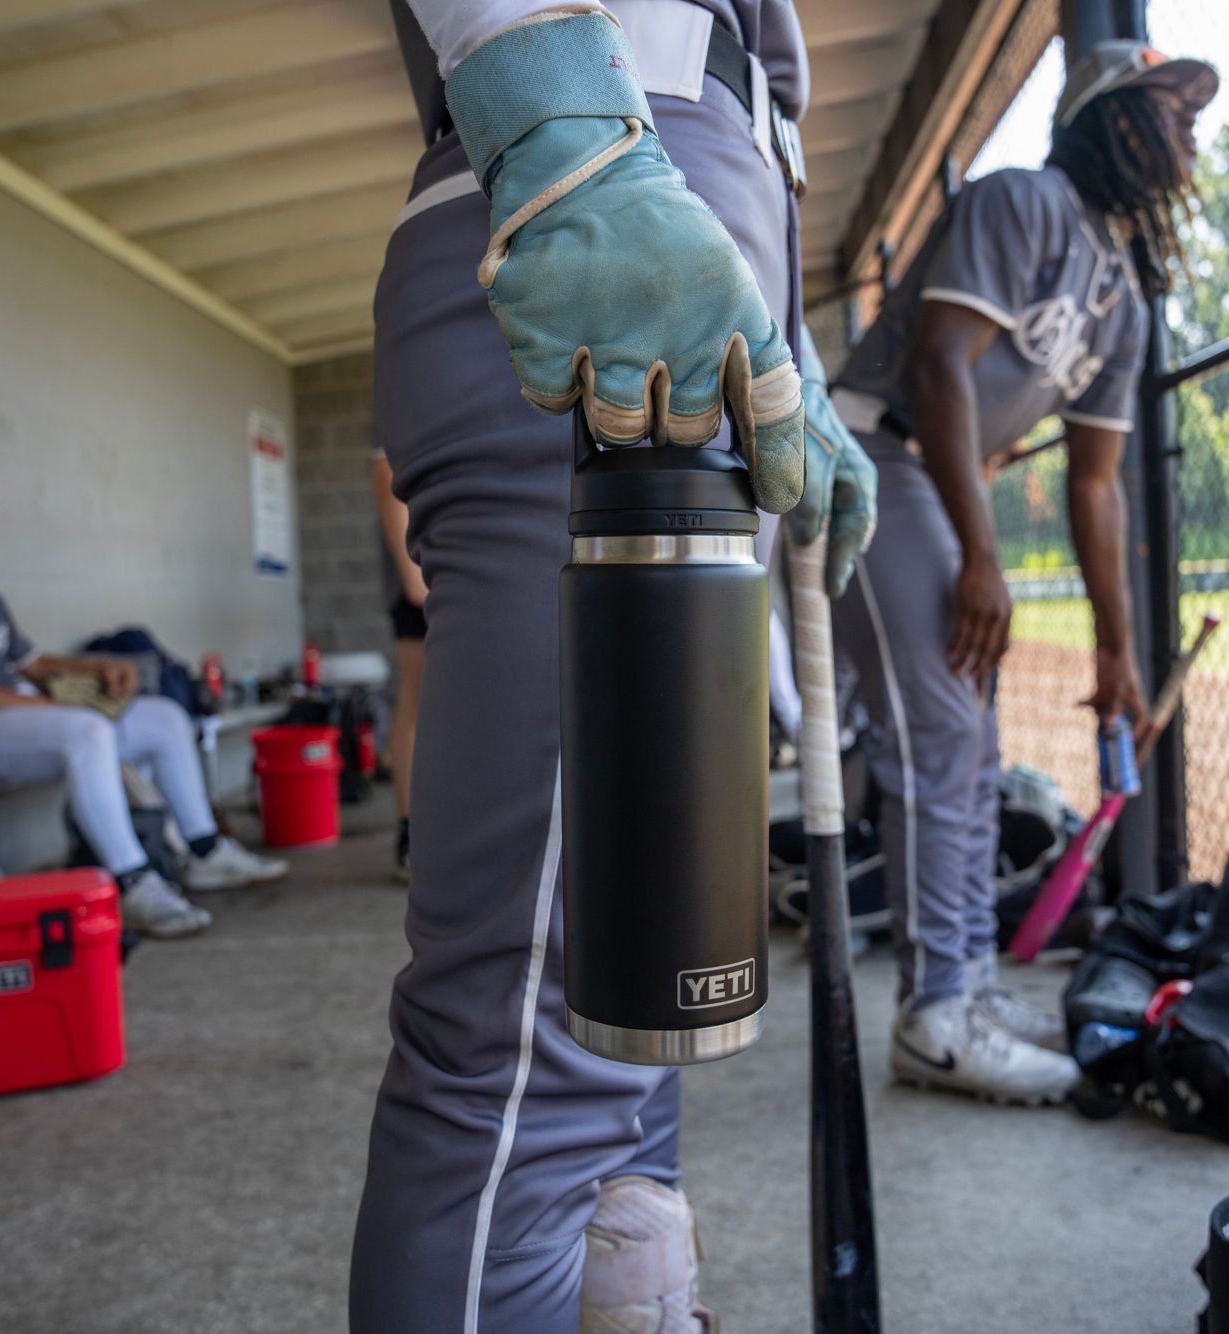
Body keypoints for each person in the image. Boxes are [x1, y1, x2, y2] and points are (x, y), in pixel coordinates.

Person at [350, 4, 873, 1331]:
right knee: (528, 1046)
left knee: (642, 1022)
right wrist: (571, 140)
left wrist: (795, 353)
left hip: (696, 262)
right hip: (596, 227)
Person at [828, 40, 1219, 1104]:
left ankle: (963, 989)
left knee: (973, 741)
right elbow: (935, 365)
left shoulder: (1122, 300)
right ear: (1109, 122)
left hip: (926, 480)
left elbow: (1095, 484)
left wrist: (1120, 650)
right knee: (943, 736)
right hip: (869, 449)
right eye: (1166, 110)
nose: (1187, 132)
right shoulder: (1022, 198)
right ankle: (935, 1010)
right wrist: (982, 559)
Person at [0, 467, 289, 940]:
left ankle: (205, 850)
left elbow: (34, 663)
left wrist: (100, 666)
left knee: (164, 718)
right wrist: (40, 709)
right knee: (86, 730)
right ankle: (131, 882)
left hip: (20, 716)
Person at [370, 451, 425, 882]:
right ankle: (411, 834)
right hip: (427, 573)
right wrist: (413, 576)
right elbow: (386, 468)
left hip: (458, 566)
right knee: (419, 697)